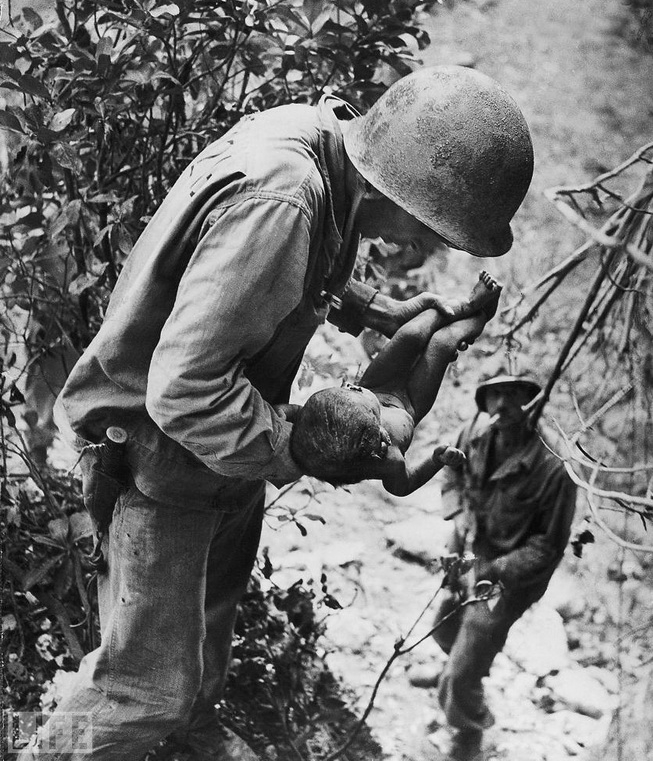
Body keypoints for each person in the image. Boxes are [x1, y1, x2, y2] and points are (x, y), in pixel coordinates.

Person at [23, 66, 533, 761]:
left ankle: (190, 739)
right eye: (439, 229)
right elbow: (186, 393)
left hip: (224, 445)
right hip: (157, 454)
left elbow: (266, 266)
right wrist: (309, 447)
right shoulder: (286, 196)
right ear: (403, 193)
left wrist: (375, 312)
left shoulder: (322, 149)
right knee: (143, 690)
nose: (434, 246)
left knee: (209, 627)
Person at [409, 374, 577, 761]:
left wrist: (494, 570)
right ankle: (457, 674)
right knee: (445, 620)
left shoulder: (553, 471)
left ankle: (469, 728)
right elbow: (451, 469)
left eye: (513, 397)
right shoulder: (476, 431)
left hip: (511, 576)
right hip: (469, 548)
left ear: (532, 406)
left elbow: (548, 547)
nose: (501, 405)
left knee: (473, 645)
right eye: (494, 395)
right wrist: (457, 512)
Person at [289, 272, 501, 495]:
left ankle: (465, 305)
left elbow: (296, 413)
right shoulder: (390, 460)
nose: (352, 385)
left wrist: (282, 412)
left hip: (379, 383)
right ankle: (483, 313)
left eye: (347, 388)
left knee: (411, 333)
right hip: (410, 403)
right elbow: (403, 487)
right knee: (442, 343)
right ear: (381, 435)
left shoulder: (316, 428)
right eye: (357, 392)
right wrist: (436, 460)